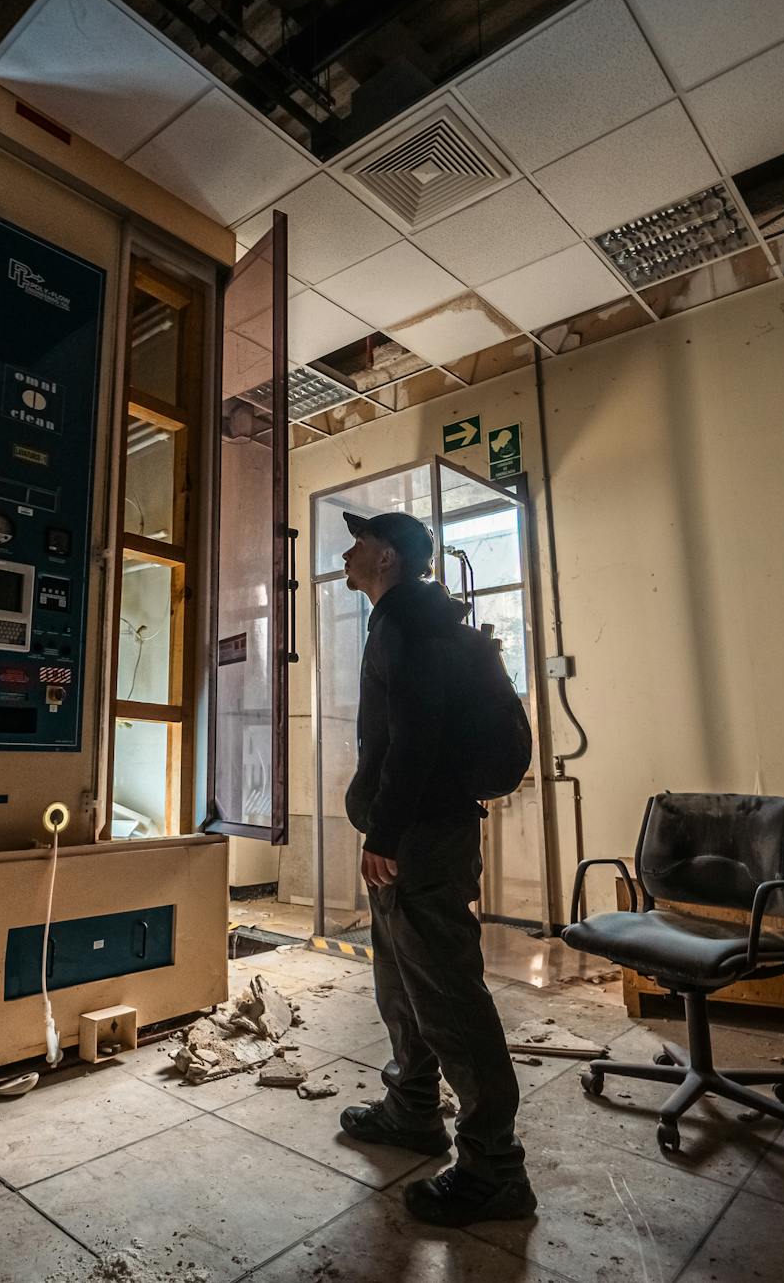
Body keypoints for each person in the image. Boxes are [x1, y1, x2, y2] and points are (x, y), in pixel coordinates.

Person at [334, 509, 535, 1225]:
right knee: (402, 979)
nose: (348, 554)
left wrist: (384, 833)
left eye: (359, 544)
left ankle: (493, 1167)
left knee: (447, 993)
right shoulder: (416, 620)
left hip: (420, 837)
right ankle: (413, 1107)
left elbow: (414, 738)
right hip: (420, 833)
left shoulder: (408, 625)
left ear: (387, 556)